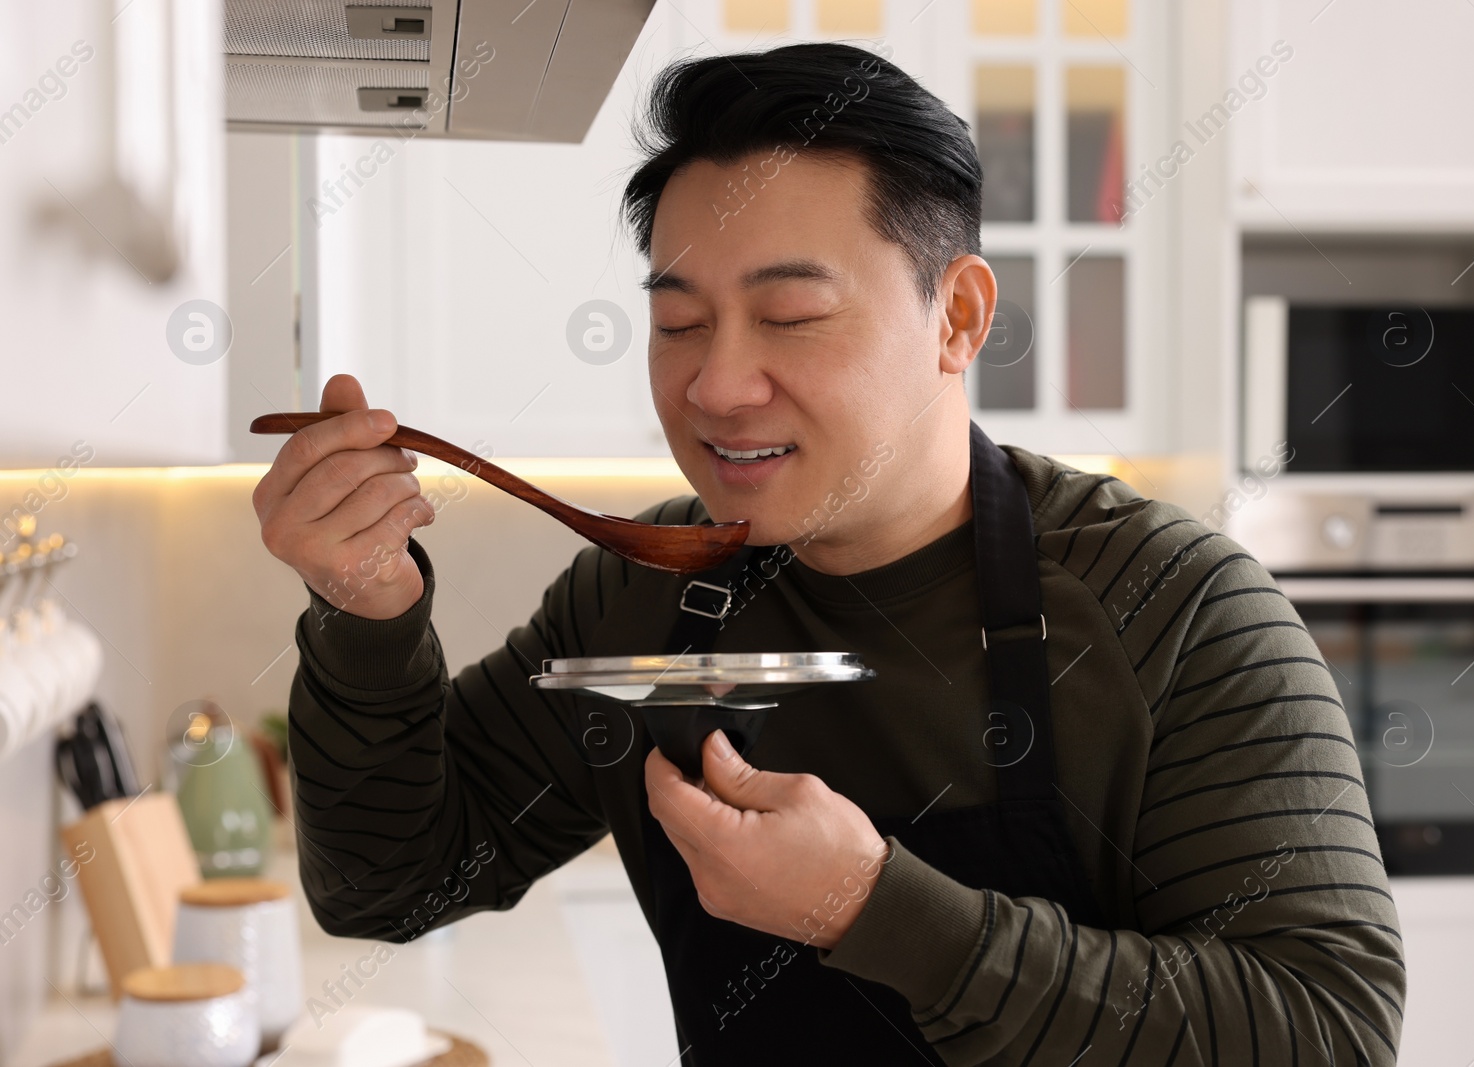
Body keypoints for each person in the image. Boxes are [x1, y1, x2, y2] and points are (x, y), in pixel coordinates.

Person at [252, 41, 1403, 1066]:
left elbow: (1328, 1026)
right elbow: (391, 884)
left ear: (956, 316)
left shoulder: (1176, 608)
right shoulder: (647, 597)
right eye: (678, 322)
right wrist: (367, 612)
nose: (714, 384)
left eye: (791, 316)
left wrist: (874, 908)